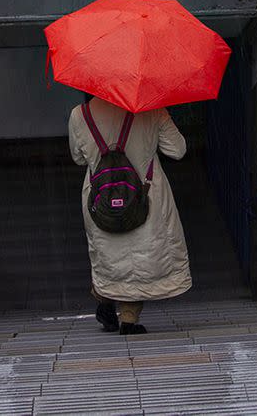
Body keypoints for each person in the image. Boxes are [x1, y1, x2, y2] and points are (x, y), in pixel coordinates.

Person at [69, 95, 192, 335]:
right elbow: (177, 150)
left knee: (109, 253)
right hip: (144, 195)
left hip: (101, 196)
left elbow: (78, 157)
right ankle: (128, 318)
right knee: (142, 258)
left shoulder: (79, 115)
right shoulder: (152, 108)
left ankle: (105, 296)